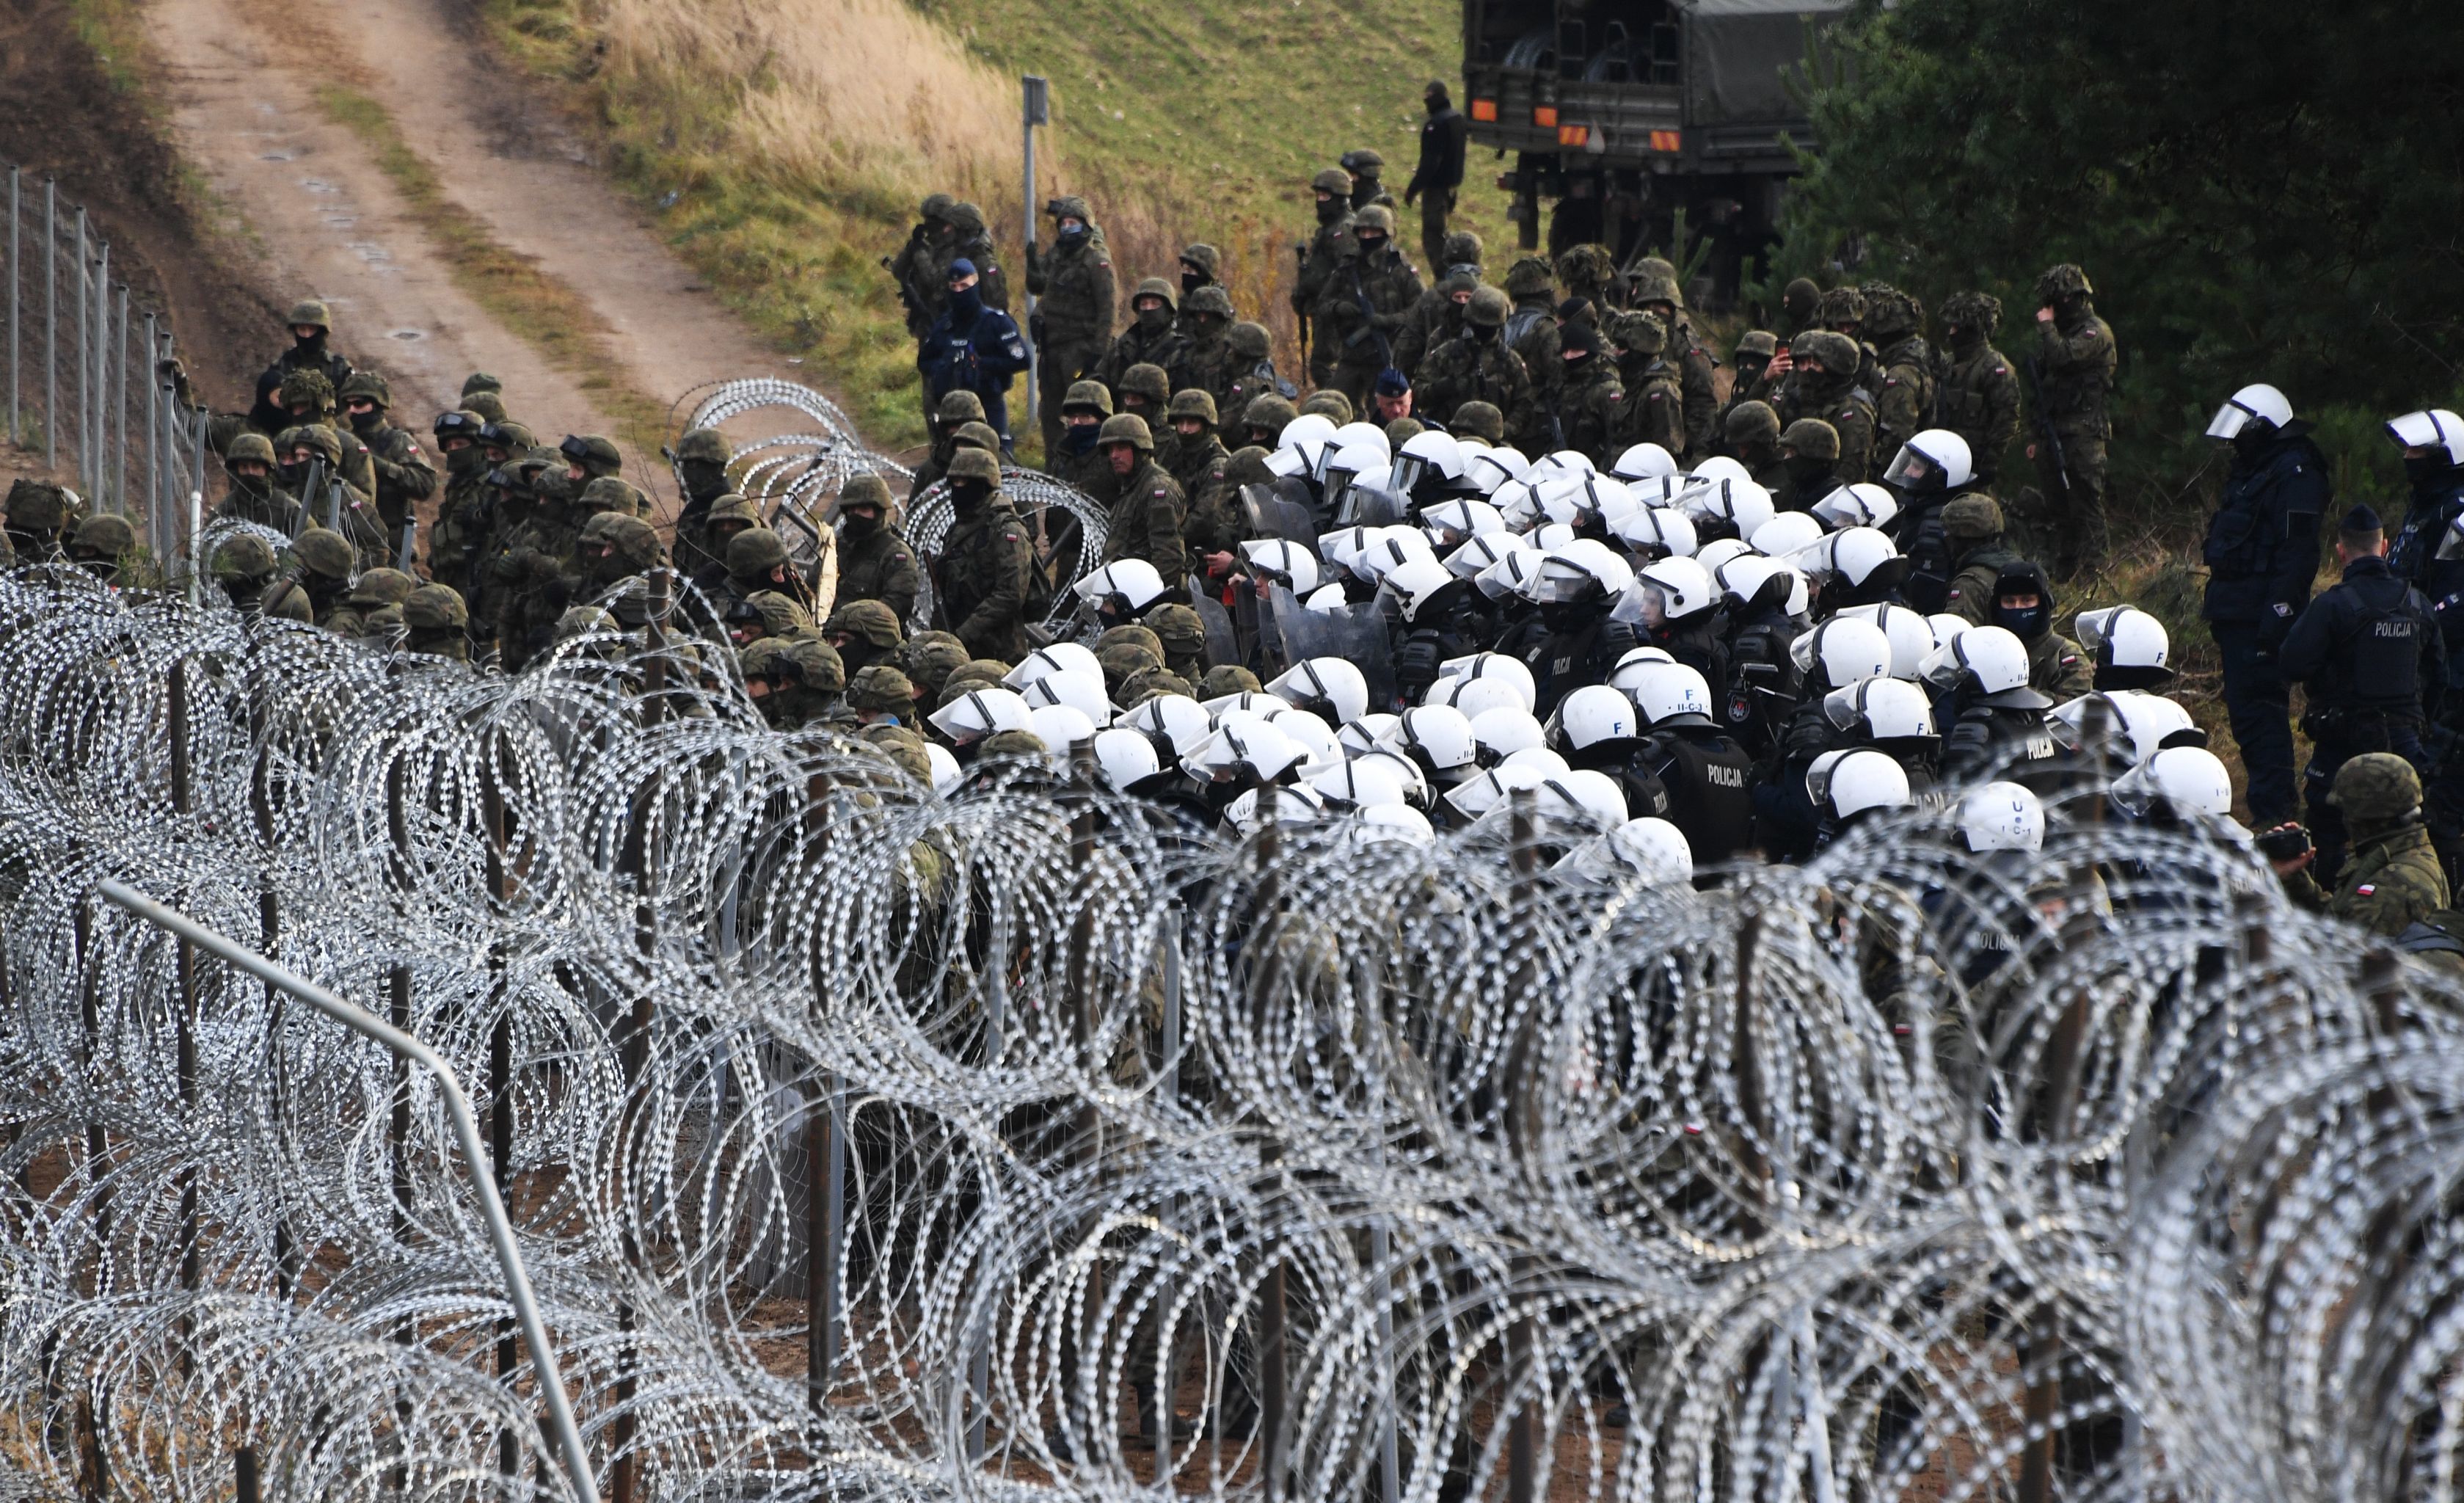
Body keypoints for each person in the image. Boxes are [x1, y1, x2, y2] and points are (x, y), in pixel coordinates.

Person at [2281, 504, 2443, 884]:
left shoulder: (2333, 605)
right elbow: (2440, 677)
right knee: (2411, 838)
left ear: (2340, 552)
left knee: (2327, 835)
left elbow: (2291, 664)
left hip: (2341, 742)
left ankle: (2329, 919)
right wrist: (2420, 725)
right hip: (2405, 747)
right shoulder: (2418, 604)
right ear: (2384, 547)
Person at [2202, 382, 2329, 830]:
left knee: (2262, 717)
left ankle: (2275, 814)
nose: (2236, 442)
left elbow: (2297, 556)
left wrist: (2277, 617)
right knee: (2247, 717)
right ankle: (2269, 808)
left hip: (2261, 618)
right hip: (2237, 614)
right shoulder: (2255, 470)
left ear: (2265, 427)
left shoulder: (2295, 473)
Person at [2270, 754, 2449, 936]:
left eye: (2344, 809)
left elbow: (2342, 956)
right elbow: (2340, 923)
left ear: (2361, 815)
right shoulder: (2396, 853)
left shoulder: (2392, 887)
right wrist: (2295, 881)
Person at [2026, 263, 2117, 578]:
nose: (2051, 310)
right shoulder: (2062, 334)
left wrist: (2047, 328)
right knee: (2057, 505)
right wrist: (2035, 435)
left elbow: (2064, 359)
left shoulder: (2094, 332)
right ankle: (2064, 572)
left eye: (2058, 302)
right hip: (2055, 432)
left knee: (2086, 504)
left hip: (2084, 433)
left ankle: (2095, 574)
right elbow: (2042, 388)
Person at [1027, 195, 1117, 457]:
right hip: (1052, 349)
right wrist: (1038, 316)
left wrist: (1097, 356)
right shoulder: (1058, 258)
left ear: (1086, 225)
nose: (1067, 228)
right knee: (1051, 414)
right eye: (1064, 223)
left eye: (1073, 222)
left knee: (1083, 413)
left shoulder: (1096, 261)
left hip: (1080, 349)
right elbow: (1049, 294)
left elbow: (1107, 311)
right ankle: (1055, 470)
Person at [918, 258, 1030, 454]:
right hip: (952, 410)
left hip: (989, 405)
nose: (959, 292)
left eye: (964, 286)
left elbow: (1022, 360)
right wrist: (947, 365)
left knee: (996, 461)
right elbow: (924, 362)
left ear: (976, 284)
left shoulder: (996, 322)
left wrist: (981, 364)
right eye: (954, 287)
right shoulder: (944, 325)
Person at [930, 448, 1032, 663]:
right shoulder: (959, 528)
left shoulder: (1005, 529)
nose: (958, 488)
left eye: (964, 482)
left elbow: (1011, 593)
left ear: (984, 484)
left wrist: (966, 632)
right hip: (961, 645)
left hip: (1000, 651)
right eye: (954, 482)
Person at [1317, 205, 1423, 410]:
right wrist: (1339, 307)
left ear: (1387, 234)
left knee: (1385, 412)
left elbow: (1419, 311)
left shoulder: (1401, 271)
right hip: (1351, 355)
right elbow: (1322, 304)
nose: (1368, 237)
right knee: (1334, 406)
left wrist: (1388, 321)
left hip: (1387, 355)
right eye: (1363, 232)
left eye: (1374, 232)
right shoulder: (1348, 268)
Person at [1417, 288, 1535, 448]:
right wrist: (1438, 389)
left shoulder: (1510, 362)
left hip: (1495, 446)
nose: (1483, 329)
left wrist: (1502, 431)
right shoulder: (1447, 354)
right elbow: (1418, 392)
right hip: (1449, 443)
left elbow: (1525, 404)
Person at [335, 372, 436, 552]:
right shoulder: (343, 442)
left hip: (392, 545)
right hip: (350, 540)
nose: (352, 410)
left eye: (359, 404)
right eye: (348, 404)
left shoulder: (397, 441)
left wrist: (380, 466)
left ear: (377, 404)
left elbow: (425, 483)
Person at [1933, 292, 2020, 489]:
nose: (1951, 332)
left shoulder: (1995, 367)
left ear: (1971, 329)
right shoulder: (1948, 363)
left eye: (1956, 327)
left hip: (1974, 463)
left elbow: (2007, 419)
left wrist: (1990, 462)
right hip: (1942, 457)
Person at [1093, 414, 1187, 586]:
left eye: (1121, 448)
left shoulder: (1158, 489)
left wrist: (1141, 597)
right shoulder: (1131, 487)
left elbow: (1169, 558)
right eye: (1110, 449)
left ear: (1139, 449)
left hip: (1151, 600)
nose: (1114, 455)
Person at [247, 299, 354, 437]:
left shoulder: (340, 367)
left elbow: (350, 409)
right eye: (302, 330)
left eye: (312, 329)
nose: (307, 335)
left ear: (322, 331)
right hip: (289, 433)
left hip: (331, 433)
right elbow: (270, 406)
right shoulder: (282, 365)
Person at [1293, 167, 1357, 391]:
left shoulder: (1344, 230)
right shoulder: (1329, 230)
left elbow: (1349, 271)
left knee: (1325, 367)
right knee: (1321, 365)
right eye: (1318, 196)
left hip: (1336, 313)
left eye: (1325, 196)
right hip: (1324, 309)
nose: (1320, 201)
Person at [831, 473, 919, 628]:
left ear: (879, 511)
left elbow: (895, 605)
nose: (856, 514)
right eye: (852, 509)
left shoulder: (896, 555)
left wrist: (850, 624)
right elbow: (814, 590)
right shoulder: (837, 548)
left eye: (864, 509)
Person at [1098, 279, 1187, 396]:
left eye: (1155, 303)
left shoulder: (1180, 350)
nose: (1148, 309)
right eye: (1143, 304)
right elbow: (1100, 379)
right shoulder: (1121, 346)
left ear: (1168, 309)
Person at [889, 192, 955, 339]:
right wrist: (912, 246)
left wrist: (920, 252)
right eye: (926, 219)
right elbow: (898, 272)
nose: (928, 224)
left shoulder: (956, 248)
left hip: (948, 318)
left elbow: (935, 282)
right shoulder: (926, 243)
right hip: (924, 314)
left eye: (933, 220)